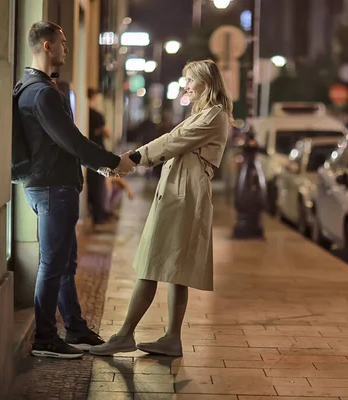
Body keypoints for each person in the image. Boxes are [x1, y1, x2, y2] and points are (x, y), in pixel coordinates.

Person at [90, 59, 233, 356]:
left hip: (185, 196)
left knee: (152, 262)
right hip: (180, 194)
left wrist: (133, 158)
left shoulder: (214, 116)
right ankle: (171, 338)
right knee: (172, 267)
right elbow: (173, 142)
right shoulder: (204, 113)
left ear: (207, 82)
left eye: (190, 80)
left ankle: (125, 334)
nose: (186, 85)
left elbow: (173, 141)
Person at [16, 21, 136, 359]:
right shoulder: (40, 92)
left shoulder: (37, 86)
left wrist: (102, 165)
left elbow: (66, 143)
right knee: (53, 264)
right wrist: (115, 162)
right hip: (52, 187)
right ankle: (44, 337)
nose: (67, 48)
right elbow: (72, 141)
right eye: (63, 42)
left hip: (53, 184)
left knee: (65, 262)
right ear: (47, 47)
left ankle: (76, 328)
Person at [86, 87, 113, 225]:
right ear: (93, 98)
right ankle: (98, 215)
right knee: (98, 185)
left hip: (86, 153)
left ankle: (92, 212)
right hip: (98, 153)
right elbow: (108, 133)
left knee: (90, 184)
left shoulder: (81, 114)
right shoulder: (97, 115)